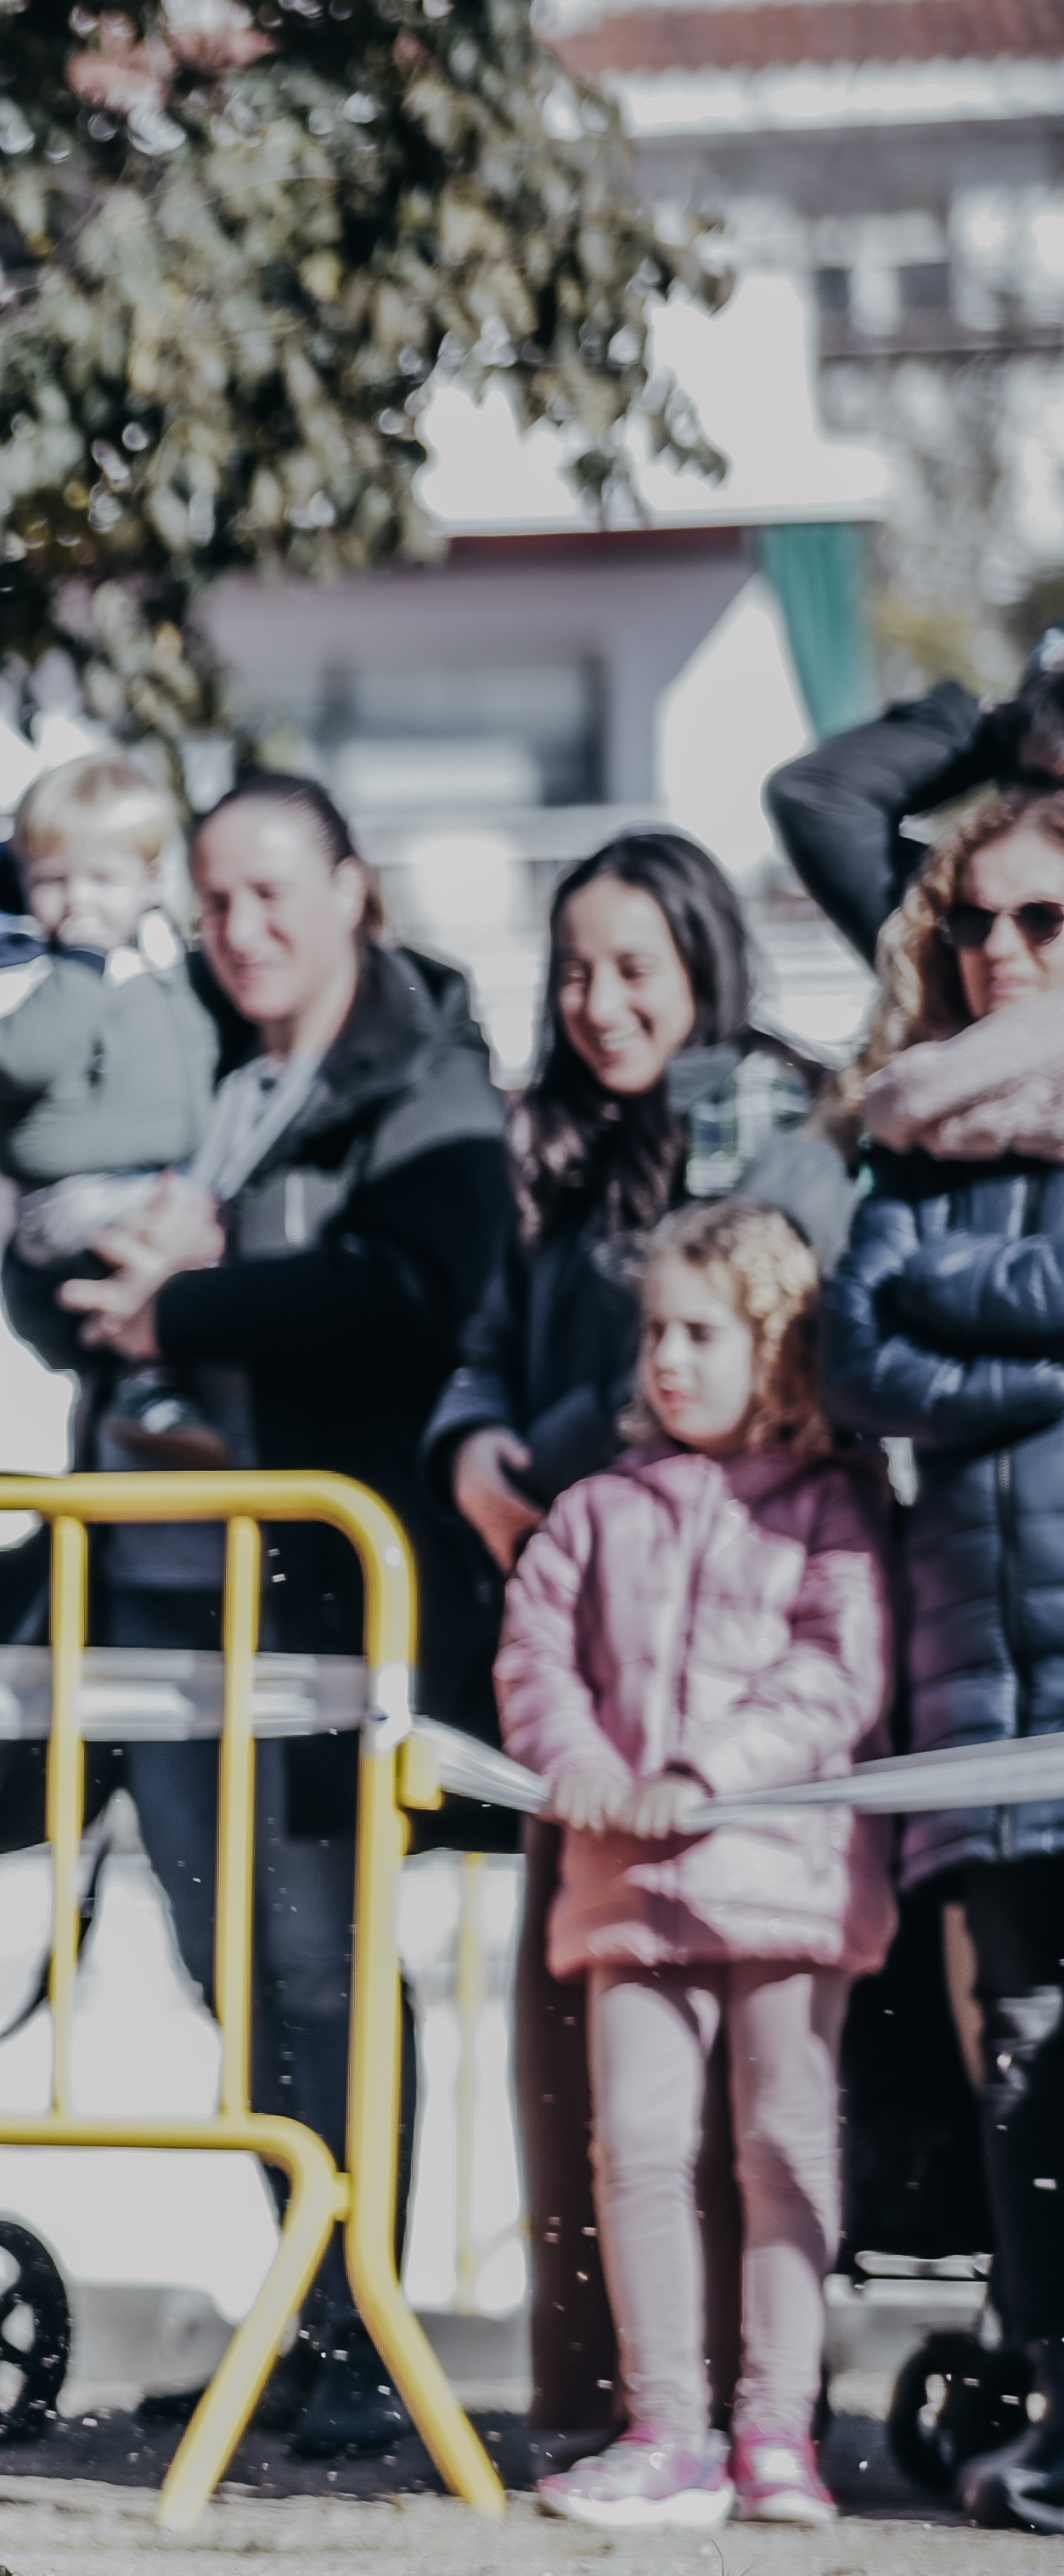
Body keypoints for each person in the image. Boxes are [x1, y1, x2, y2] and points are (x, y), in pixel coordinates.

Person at [56, 772, 516, 2457]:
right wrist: (94, 1267)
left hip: (324, 1587)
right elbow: (55, 1249)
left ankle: (361, 2330)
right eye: (215, 898)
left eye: (272, 892)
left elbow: (417, 1290)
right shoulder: (185, 1059)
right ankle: (307, 2317)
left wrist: (186, 1305)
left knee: (321, 1964)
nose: (241, 928)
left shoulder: (427, 1075)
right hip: (159, 1584)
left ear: (351, 888)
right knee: (227, 1969)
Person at [425, 828, 857, 2455]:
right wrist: (471, 1449)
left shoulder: (780, 1129)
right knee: (585, 2078)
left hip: (742, 1702)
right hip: (583, 1677)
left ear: (704, 965)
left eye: (634, 969)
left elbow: (746, 1353)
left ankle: (761, 2420)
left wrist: (556, 1454)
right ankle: (602, 2408)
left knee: (758, 2096)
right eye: (574, 972)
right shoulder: (546, 1152)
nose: (599, 1003)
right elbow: (482, 1343)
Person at [493, 1203, 889, 2528]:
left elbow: (836, 1672)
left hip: (786, 1885)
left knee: (784, 2147)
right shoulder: (594, 1512)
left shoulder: (837, 1511)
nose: (667, 1358)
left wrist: (706, 1771)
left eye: (702, 1333)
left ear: (776, 1348)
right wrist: (578, 1762)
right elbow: (534, 1659)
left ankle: (778, 2431)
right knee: (641, 2150)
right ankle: (667, 2430)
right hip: (632, 1893)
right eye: (656, 1330)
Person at [819, 778, 1064, 2530]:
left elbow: (926, 1321)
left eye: (1043, 918)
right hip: (978, 1662)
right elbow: (853, 1352)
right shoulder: (904, 1130)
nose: (1001, 952)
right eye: (973, 920)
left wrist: (946, 1322)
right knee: (1022, 2049)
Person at [0, 752, 228, 1463]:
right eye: (53, 880)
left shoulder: (160, 959)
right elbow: (21, 1057)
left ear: (151, 881)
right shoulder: (12, 971)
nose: (78, 901)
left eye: (103, 879)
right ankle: (149, 1390)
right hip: (74, 1195)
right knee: (171, 1255)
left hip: (158, 1177)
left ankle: (152, 1395)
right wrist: (80, 967)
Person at [766, 635, 1064, 955]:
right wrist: (991, 732)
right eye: (1039, 785)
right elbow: (815, 795)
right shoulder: (981, 937)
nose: (1055, 811)